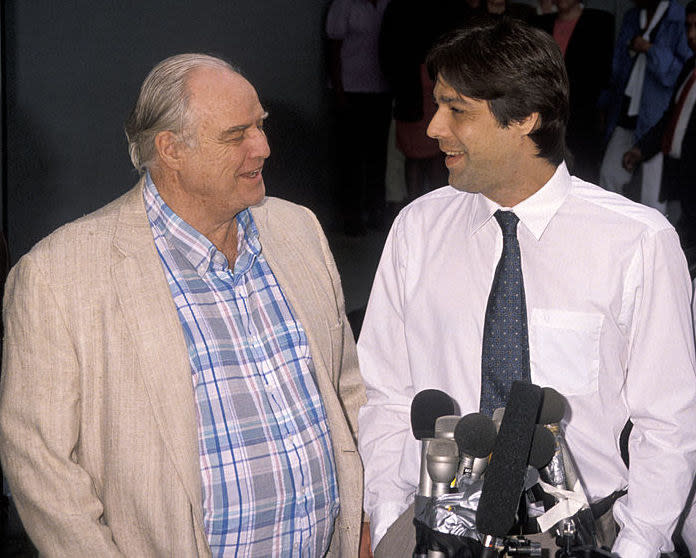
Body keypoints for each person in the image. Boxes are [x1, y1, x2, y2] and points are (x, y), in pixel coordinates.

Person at [0, 53, 366, 557]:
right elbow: (41, 468)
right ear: (170, 149)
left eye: (260, 125)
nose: (263, 146)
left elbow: (347, 390)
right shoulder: (59, 277)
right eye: (236, 135)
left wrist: (363, 519)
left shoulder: (297, 230)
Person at [357, 18, 696, 558]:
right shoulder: (417, 230)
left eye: (457, 109)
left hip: (585, 535)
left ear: (525, 117)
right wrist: (385, 519)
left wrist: (635, 547)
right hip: (430, 527)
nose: (433, 127)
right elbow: (387, 397)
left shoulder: (637, 242)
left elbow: (670, 425)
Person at [599, 0, 691, 214]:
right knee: (609, 176)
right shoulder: (633, 16)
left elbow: (681, 74)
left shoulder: (678, 17)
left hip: (658, 118)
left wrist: (650, 49)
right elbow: (617, 66)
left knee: (653, 198)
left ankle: (657, 246)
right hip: (627, 110)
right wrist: (605, 102)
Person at [623, 0, 696, 249]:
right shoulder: (690, 67)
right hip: (679, 177)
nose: (691, 35)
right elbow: (670, 118)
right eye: (689, 27)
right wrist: (641, 149)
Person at [326, 0, 392, 235]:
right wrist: (339, 92)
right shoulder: (344, 4)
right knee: (350, 159)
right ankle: (351, 218)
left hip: (381, 90)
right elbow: (333, 50)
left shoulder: (386, 4)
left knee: (378, 158)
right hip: (351, 91)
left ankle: (376, 213)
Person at [534, 0, 614, 182]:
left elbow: (602, 72)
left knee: (583, 177)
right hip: (543, 116)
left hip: (583, 118)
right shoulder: (540, 23)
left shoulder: (599, 21)